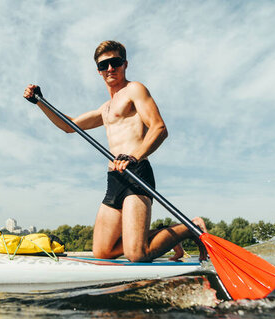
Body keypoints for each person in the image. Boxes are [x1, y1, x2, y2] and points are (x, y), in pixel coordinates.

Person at [24, 40, 207, 262]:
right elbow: (68, 126)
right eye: (104, 65)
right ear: (99, 71)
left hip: (136, 173)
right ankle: (169, 234)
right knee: (103, 252)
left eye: (115, 62)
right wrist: (41, 102)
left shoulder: (135, 90)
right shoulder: (105, 109)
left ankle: (193, 226)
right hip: (114, 179)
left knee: (136, 254)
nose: (110, 68)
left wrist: (134, 157)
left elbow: (159, 128)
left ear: (125, 64)